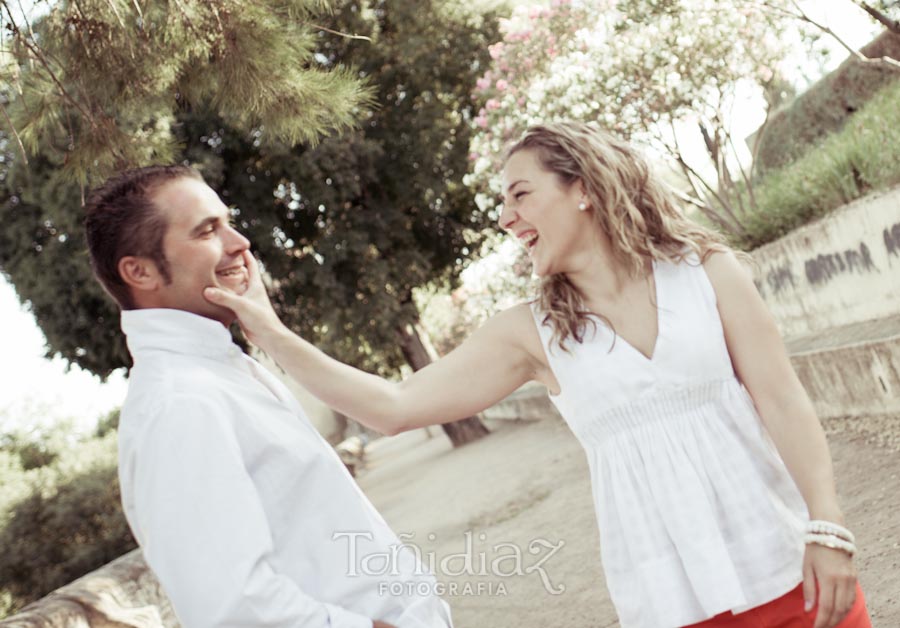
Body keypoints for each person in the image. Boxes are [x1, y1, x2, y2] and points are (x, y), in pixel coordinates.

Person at [204, 121, 873, 628]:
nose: (506, 217)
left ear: (581, 188)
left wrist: (829, 527)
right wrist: (268, 329)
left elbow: (784, 400)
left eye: (521, 194)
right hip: (678, 602)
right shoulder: (530, 332)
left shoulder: (707, 274)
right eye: (504, 203)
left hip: (798, 565)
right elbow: (394, 407)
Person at [83, 165, 453, 628]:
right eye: (207, 231)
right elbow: (235, 606)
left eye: (228, 221)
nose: (240, 243)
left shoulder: (224, 370)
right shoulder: (179, 402)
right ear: (139, 271)